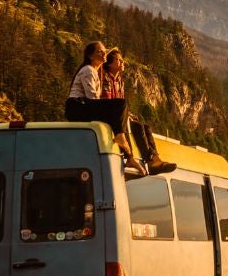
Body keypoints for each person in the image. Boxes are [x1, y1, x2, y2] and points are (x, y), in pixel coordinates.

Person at [63, 42, 173, 176]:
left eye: (104, 51)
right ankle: (129, 148)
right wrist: (115, 111)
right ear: (90, 56)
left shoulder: (102, 75)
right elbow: (92, 98)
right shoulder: (88, 70)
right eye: (100, 52)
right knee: (121, 107)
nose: (104, 54)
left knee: (124, 116)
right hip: (77, 107)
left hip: (84, 106)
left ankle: (132, 157)